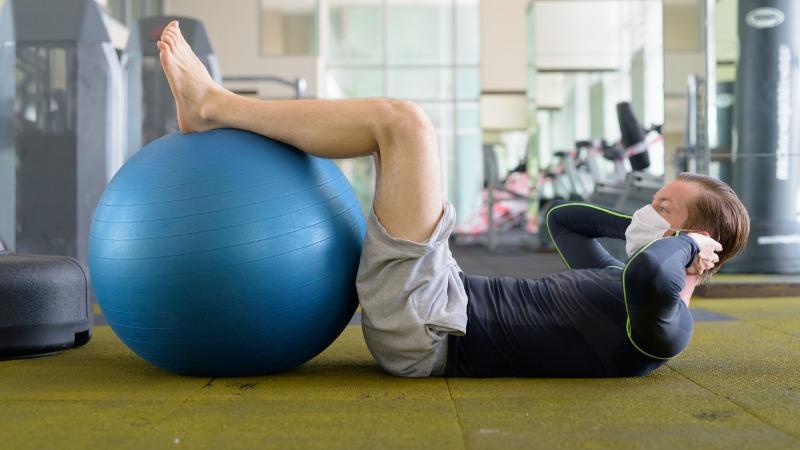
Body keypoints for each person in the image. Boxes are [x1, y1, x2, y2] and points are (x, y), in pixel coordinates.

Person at [156, 21, 750, 378]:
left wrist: (688, 245)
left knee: (403, 124)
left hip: (432, 330)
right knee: (397, 139)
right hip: (439, 299)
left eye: (664, 207)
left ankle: (215, 107)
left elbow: (653, 276)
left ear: (699, 248)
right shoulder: (621, 280)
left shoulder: (665, 326)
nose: (649, 211)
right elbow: (565, 222)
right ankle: (216, 106)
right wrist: (651, 222)